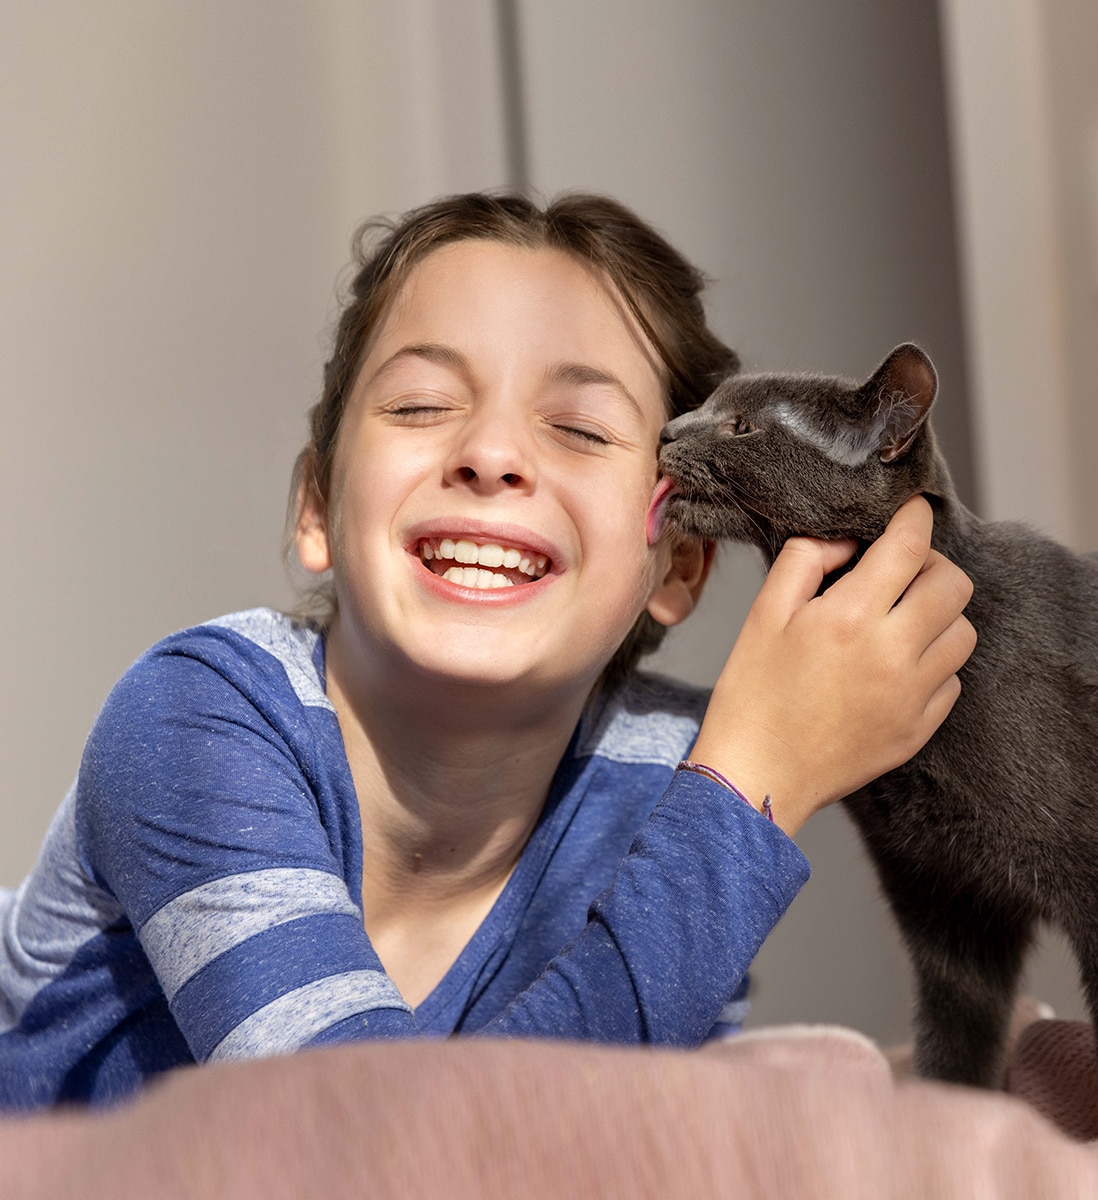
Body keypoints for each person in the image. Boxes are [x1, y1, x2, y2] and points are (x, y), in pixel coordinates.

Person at [0, 192, 975, 1110]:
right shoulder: (197, 720)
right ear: (315, 510)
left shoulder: (667, 786)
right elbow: (376, 1150)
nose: (492, 453)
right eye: (422, 406)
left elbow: (588, 1150)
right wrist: (750, 789)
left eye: (580, 428)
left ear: (679, 562)